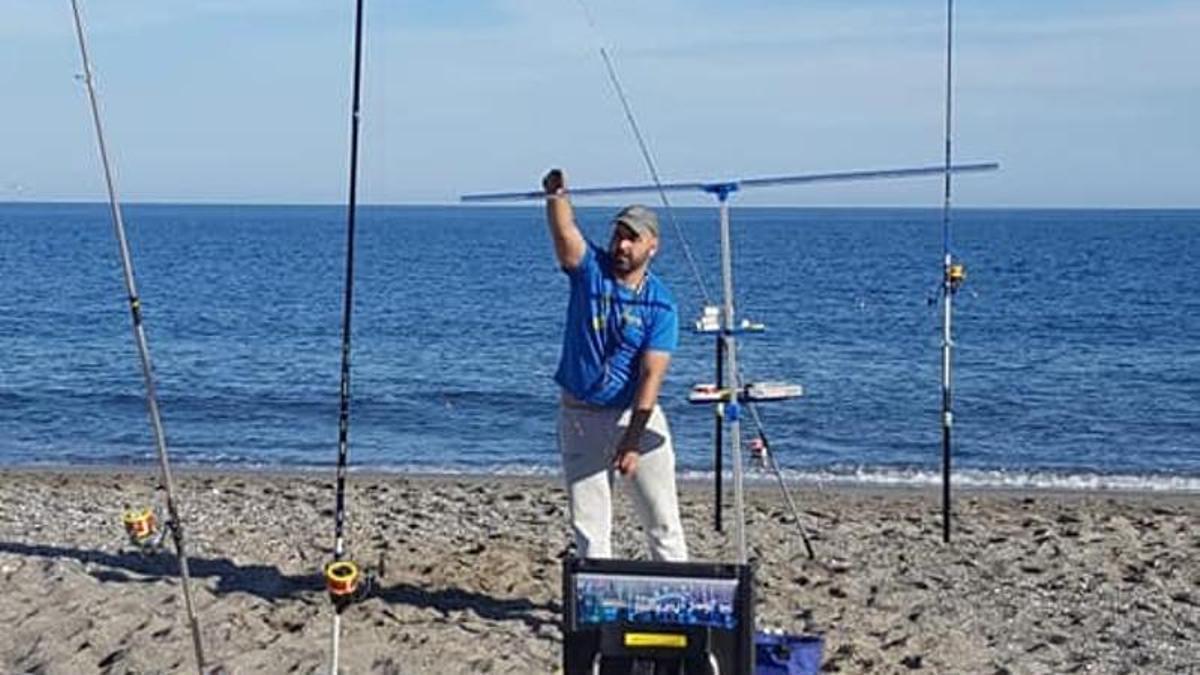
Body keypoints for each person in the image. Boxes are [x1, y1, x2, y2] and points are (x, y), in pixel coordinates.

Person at [543, 168, 688, 562]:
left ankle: (675, 599)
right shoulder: (591, 271)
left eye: (632, 237)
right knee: (590, 528)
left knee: (662, 522)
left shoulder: (661, 304)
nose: (622, 245)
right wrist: (557, 196)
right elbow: (565, 234)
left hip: (633, 416)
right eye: (618, 235)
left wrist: (633, 439)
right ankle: (596, 609)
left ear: (652, 246)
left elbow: (651, 375)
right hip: (579, 415)